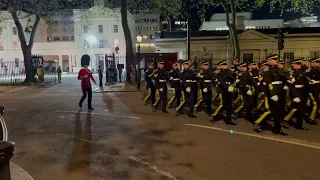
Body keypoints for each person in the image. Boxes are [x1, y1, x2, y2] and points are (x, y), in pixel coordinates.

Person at [260, 54, 287, 135]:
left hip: (280, 92)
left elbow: (284, 78)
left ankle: (275, 127)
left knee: (279, 111)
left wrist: (285, 85)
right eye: (273, 59)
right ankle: (273, 127)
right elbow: (268, 83)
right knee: (274, 111)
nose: (275, 61)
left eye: (275, 59)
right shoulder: (267, 71)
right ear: (269, 61)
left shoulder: (278, 69)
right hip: (273, 92)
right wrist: (272, 94)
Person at [283, 58, 309, 130]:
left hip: (302, 92)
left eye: (299, 64)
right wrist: (295, 96)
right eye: (296, 64)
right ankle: (286, 120)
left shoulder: (302, 72)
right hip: (295, 93)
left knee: (300, 109)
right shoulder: (292, 74)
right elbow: (291, 86)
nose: (298, 65)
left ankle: (299, 124)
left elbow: (305, 83)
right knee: (294, 108)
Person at [211, 60, 236, 125]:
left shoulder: (230, 72)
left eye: (225, 65)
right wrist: (228, 88)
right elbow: (222, 82)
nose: (225, 66)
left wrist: (233, 85)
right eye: (223, 65)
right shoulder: (219, 73)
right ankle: (216, 116)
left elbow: (233, 79)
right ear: (221, 66)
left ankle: (228, 120)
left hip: (230, 89)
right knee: (224, 105)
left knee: (229, 106)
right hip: (224, 90)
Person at [306, 57, 320, 124]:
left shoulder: (317, 70)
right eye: (317, 62)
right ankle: (311, 118)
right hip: (312, 90)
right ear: (313, 63)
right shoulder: (310, 71)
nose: (318, 64)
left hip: (316, 89)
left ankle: (312, 115)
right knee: (315, 104)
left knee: (314, 104)